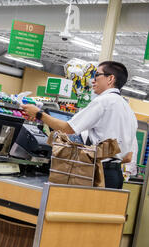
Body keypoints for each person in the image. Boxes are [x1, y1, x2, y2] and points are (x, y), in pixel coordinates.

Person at [22, 61, 137, 189]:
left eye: (96, 75)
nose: (92, 80)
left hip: (98, 174)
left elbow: (68, 129)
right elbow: (128, 156)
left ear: (110, 78)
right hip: (115, 175)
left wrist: (39, 114)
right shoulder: (128, 110)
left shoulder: (103, 102)